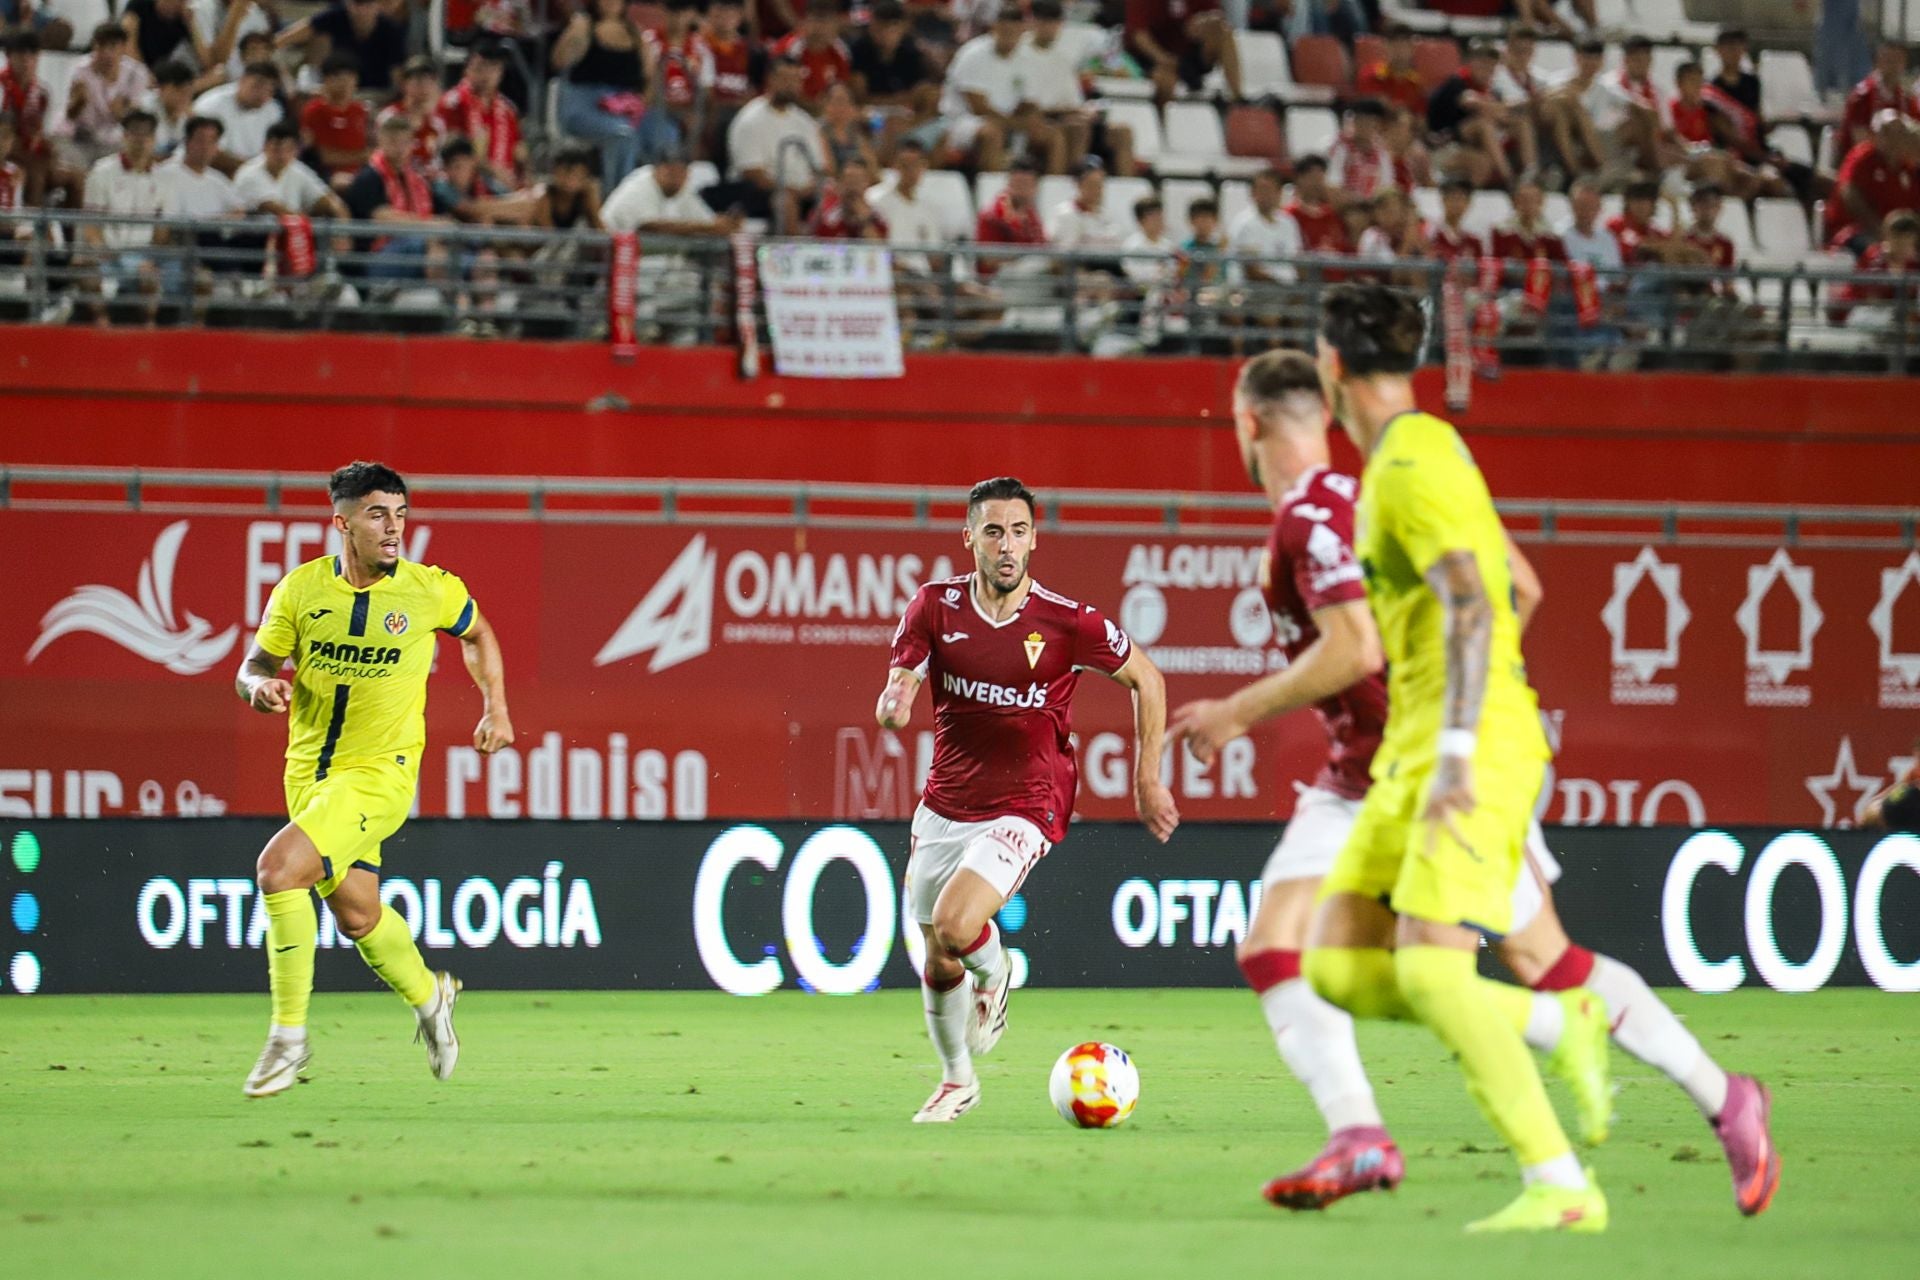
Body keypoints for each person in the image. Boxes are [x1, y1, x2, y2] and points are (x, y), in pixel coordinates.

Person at [1297, 284, 1602, 1231]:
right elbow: (1521, 581)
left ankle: (1560, 1186)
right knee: (1335, 967)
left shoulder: (1404, 469)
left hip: (1465, 747)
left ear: (1331, 367)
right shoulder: (1424, 450)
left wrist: (1466, 743)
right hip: (1419, 744)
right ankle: (1562, 1021)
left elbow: (1475, 602)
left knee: (1431, 972)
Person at [875, 476, 1178, 1122]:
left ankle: (998, 973)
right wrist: (895, 699)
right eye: (992, 531)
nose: (1006, 545)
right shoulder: (933, 606)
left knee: (959, 926)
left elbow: (1146, 679)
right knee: (935, 951)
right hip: (948, 802)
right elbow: (901, 679)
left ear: (1035, 539)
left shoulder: (1067, 622)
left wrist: (1147, 778)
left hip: (1029, 800)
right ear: (969, 539)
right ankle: (958, 1079)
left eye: (1018, 531)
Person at [237, 462, 512, 1097]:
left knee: (278, 871)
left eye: (400, 515)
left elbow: (477, 633)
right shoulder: (300, 591)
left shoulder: (429, 590)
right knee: (359, 917)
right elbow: (254, 665)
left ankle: (288, 1036)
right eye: (377, 515)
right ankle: (431, 997)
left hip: (380, 775)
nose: (394, 529)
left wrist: (495, 706)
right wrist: (259, 688)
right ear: (342, 523)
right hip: (308, 774)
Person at [551, 0, 676, 189]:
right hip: (587, 105)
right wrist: (576, 33)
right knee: (622, 135)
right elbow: (560, 63)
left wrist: (642, 102)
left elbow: (650, 76)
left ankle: (657, 194)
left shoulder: (635, 32)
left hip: (626, 106)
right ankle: (616, 196)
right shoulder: (585, 25)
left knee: (666, 133)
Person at [939, 7, 1063, 175]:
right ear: (994, 28)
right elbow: (978, 107)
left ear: (1022, 31)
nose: (1008, 37)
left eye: (1014, 32)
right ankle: (993, 191)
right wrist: (1015, 124)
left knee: (1053, 136)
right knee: (993, 133)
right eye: (1004, 31)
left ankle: (1053, 191)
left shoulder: (1026, 58)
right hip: (961, 121)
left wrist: (1031, 119)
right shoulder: (973, 54)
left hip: (1008, 120)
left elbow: (1028, 102)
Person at [716, 53, 826, 225]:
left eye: (795, 80)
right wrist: (791, 190)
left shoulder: (804, 121)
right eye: (785, 79)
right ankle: (793, 249)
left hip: (804, 192)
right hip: (758, 193)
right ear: (771, 80)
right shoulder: (750, 119)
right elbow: (752, 173)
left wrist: (810, 188)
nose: (790, 85)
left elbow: (819, 167)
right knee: (785, 201)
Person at [55, 23, 152, 174]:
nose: (107, 54)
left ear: (123, 48)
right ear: (94, 46)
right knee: (77, 171)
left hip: (112, 141)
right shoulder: (79, 71)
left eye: (113, 47)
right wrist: (78, 103)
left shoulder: (136, 74)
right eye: (101, 47)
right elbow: (70, 116)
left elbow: (133, 119)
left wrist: (121, 114)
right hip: (78, 138)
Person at [1826, 111, 1920, 254]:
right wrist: (1883, 234)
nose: (1895, 138)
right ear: (1875, 136)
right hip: (1857, 231)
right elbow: (1851, 196)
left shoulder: (1908, 166)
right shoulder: (1862, 158)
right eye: (1888, 132)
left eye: (1900, 133)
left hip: (1899, 236)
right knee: (1876, 253)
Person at [437, 39, 523, 191]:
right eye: (480, 68)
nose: (487, 75)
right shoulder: (453, 104)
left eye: (494, 68)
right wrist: (494, 171)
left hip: (503, 186)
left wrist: (525, 177)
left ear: (501, 73)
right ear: (467, 69)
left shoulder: (508, 109)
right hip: (462, 188)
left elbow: (519, 151)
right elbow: (453, 152)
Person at [1124, 0, 1239, 105]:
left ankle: (1238, 99)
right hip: (1150, 57)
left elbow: (1216, 16)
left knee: (1223, 32)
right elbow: (1138, 34)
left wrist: (1204, 22)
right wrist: (1163, 58)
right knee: (1165, 78)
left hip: (1187, 53)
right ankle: (1163, 123)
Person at [640, 0, 713, 160]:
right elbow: (644, 93)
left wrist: (698, 119)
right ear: (663, 11)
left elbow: (707, 93)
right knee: (667, 136)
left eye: (684, 11)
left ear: (692, 14)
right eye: (673, 11)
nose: (679, 17)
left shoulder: (700, 47)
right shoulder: (648, 41)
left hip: (689, 113)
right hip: (655, 112)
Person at [291, 0, 407, 93]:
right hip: (339, 90)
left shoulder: (391, 31)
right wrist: (275, 45)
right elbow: (308, 27)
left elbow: (396, 72)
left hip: (376, 92)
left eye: (368, 4)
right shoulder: (336, 17)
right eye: (358, 4)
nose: (362, 10)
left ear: (377, 5)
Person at [237, 117, 346, 216]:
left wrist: (342, 232)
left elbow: (330, 201)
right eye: (276, 149)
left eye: (288, 149)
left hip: (292, 233)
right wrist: (305, 225)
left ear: (296, 151)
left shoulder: (298, 169)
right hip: (253, 235)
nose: (282, 155)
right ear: (264, 147)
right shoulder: (249, 173)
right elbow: (275, 210)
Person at [190, 59, 283, 171]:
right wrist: (249, 170)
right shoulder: (211, 105)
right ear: (242, 80)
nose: (262, 94)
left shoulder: (273, 110)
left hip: (256, 172)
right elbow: (206, 151)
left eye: (269, 89)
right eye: (257, 86)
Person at [300, 52, 368, 184]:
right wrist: (362, 156)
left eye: (351, 77)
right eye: (340, 78)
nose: (346, 83)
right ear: (326, 80)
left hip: (361, 171)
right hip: (327, 174)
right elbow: (325, 157)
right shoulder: (315, 110)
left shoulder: (359, 110)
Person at [771, 0, 850, 111]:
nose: (821, 28)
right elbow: (780, 92)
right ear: (804, 22)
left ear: (836, 24)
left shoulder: (840, 51)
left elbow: (842, 88)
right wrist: (813, 107)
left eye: (827, 22)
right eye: (816, 21)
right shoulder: (788, 49)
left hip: (826, 114)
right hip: (789, 112)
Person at [376, 56, 448, 174]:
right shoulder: (389, 117)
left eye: (429, 81)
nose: (424, 87)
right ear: (404, 84)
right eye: (418, 81)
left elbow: (438, 161)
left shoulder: (437, 123)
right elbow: (380, 156)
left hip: (427, 184)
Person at [807, 152, 885, 238]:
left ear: (867, 183)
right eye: (848, 180)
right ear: (839, 184)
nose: (852, 187)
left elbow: (879, 249)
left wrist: (865, 221)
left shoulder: (877, 217)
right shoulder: (826, 217)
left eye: (857, 181)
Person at [1355, 24, 1426, 118]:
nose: (1399, 51)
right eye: (1394, 45)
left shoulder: (1417, 84)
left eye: (1403, 46)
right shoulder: (1369, 75)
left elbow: (1420, 119)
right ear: (1385, 47)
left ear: (1412, 48)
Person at [123, 0, 209, 72]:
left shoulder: (182, 18)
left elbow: (207, 62)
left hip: (157, 75)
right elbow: (127, 45)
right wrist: (145, 75)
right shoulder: (139, 5)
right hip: (133, 69)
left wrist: (191, 25)